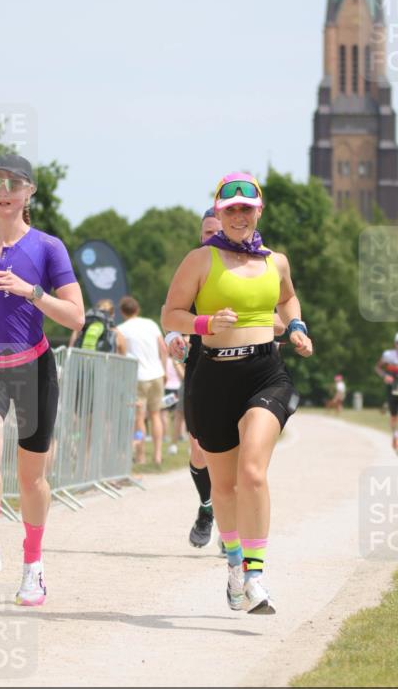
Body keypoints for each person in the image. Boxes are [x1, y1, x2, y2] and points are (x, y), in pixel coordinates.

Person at [162, 173, 313, 614]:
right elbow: (171, 312)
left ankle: (256, 574)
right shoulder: (200, 260)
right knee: (224, 488)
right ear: (220, 213)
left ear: (259, 211)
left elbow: (288, 301)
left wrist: (299, 328)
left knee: (253, 473)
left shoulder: (275, 262)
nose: (240, 215)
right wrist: (205, 324)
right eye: (231, 209)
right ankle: (232, 565)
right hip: (213, 377)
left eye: (247, 208)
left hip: (265, 373)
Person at [0, 154, 84, 606]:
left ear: (29, 193)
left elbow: (75, 316)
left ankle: (33, 563)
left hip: (34, 369)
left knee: (31, 479)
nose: (3, 190)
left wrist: (30, 291)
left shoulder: (48, 248)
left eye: (14, 183)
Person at [163, 209, 222, 548]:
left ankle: (233, 527)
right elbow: (169, 311)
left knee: (240, 451)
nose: (212, 236)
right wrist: (173, 337)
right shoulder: (194, 265)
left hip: (242, 361)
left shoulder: (248, 267)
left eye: (218, 230)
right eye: (207, 232)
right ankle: (207, 508)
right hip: (200, 361)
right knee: (199, 448)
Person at [117, 296, 167, 467]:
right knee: (155, 415)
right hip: (157, 375)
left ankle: (141, 455)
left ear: (122, 312)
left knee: (138, 418)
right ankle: (158, 455)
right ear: (137, 309)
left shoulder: (120, 329)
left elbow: (120, 353)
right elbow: (163, 348)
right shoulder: (151, 324)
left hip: (137, 377)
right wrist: (165, 370)